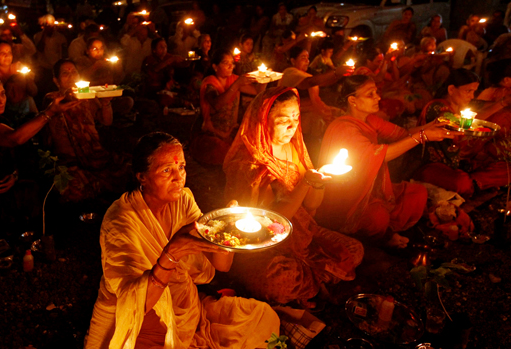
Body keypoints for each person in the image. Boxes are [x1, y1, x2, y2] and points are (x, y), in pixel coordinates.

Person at [85, 132, 279, 348]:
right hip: (140, 319)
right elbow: (135, 304)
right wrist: (171, 255)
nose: (178, 178)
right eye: (166, 170)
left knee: (264, 316)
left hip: (185, 306)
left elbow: (222, 266)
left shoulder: (183, 200)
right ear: (142, 177)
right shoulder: (120, 220)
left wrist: (228, 230)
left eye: (182, 167)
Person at [223, 87, 363, 306]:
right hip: (264, 246)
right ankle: (309, 283)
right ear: (262, 121)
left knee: (355, 250)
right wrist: (306, 182)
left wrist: (318, 182)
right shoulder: (249, 165)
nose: (292, 126)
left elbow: (311, 205)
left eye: (296, 118)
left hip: (302, 234)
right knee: (278, 280)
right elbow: (273, 222)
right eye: (282, 121)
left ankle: (308, 282)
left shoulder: (294, 148)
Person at [316, 75, 457, 248]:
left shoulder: (369, 119)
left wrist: (434, 124)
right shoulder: (345, 128)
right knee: (377, 218)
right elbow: (381, 155)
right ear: (353, 100)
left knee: (417, 194)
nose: (378, 97)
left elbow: (403, 134)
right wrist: (423, 137)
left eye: (376, 92)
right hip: (350, 195)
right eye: (370, 94)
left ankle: (387, 232)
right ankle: (380, 237)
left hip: (373, 187)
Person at [0, 74, 77, 241]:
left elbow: (10, 158)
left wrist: (14, 175)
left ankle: (44, 240)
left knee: (35, 187)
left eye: (2, 93)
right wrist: (50, 112)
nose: (1, 100)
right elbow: (14, 139)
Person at [42, 59, 130, 202]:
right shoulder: (52, 99)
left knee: (127, 168)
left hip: (94, 154)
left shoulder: (87, 97)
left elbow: (106, 121)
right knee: (72, 187)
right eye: (65, 73)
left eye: (74, 72)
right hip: (69, 160)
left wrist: (106, 102)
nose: (71, 76)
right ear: (56, 81)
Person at [414, 69, 511, 197]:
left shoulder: (461, 108)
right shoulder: (437, 106)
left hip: (459, 165)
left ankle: (475, 183)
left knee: (507, 169)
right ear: (451, 89)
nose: (472, 96)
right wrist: (502, 103)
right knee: (461, 182)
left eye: (474, 92)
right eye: (468, 91)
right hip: (432, 166)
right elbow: (454, 122)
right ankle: (474, 185)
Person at [190, 49, 263, 165]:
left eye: (232, 63)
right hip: (212, 134)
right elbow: (217, 104)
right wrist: (237, 84)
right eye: (226, 63)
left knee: (253, 148)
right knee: (225, 155)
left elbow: (257, 92)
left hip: (230, 132)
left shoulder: (233, 79)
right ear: (215, 67)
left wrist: (265, 79)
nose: (231, 66)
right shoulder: (210, 83)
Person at [278, 46, 351, 142]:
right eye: (303, 57)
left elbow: (323, 82)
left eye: (308, 58)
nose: (307, 61)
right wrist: (336, 72)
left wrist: (340, 74)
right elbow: (309, 82)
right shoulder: (290, 72)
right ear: (293, 61)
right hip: (290, 119)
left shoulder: (305, 74)